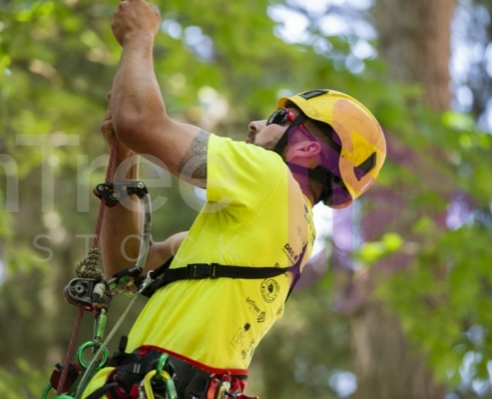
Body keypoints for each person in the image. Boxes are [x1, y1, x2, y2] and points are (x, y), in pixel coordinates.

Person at [82, 0, 386, 398]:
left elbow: (139, 122)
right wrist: (125, 156)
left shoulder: (271, 176)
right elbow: (126, 268)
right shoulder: (285, 233)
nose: (256, 123)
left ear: (309, 150)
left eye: (279, 120)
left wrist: (139, 35)